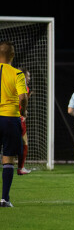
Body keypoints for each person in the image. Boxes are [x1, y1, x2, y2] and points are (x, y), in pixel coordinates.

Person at [0, 41, 28, 208]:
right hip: (10, 118)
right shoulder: (17, 74)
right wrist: (23, 112)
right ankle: (4, 199)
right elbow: (23, 98)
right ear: (12, 55)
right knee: (8, 158)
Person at [17, 68, 32, 175]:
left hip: (6, 115)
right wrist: (23, 113)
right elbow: (21, 100)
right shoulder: (24, 87)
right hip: (17, 118)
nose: (29, 78)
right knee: (24, 142)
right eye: (28, 76)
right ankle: (20, 168)